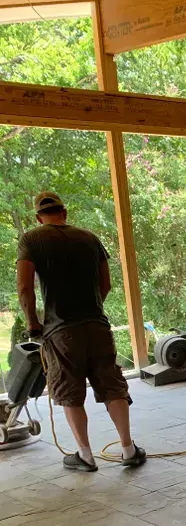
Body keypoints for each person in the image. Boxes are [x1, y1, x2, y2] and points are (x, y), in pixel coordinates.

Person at [16, 191, 146, 472]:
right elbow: (106, 284)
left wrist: (32, 323)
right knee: (112, 386)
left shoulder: (31, 240)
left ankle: (85, 456)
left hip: (60, 331)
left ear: (39, 217)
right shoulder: (89, 238)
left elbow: (25, 288)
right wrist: (90, 309)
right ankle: (128, 449)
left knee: (70, 391)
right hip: (97, 326)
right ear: (64, 212)